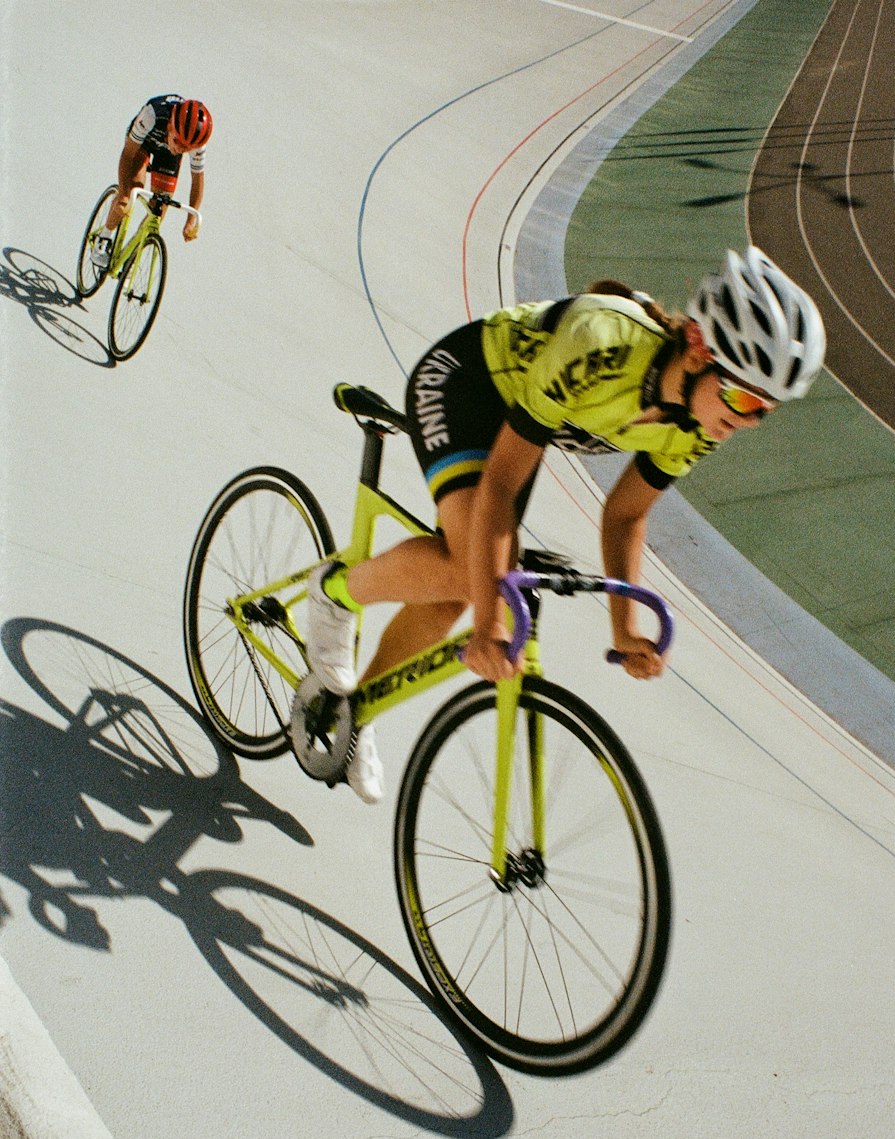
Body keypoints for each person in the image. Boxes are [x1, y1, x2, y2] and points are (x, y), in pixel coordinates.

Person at [309, 245, 826, 803]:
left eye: (764, 411)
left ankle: (350, 710)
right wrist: (490, 625)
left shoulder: (699, 424)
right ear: (700, 349)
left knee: (466, 591)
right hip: (468, 381)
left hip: (526, 422)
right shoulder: (601, 345)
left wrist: (623, 627)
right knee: (470, 576)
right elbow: (500, 487)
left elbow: (626, 512)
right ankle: (334, 592)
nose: (745, 421)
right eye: (744, 396)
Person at [90, 96, 213, 268]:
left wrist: (190, 220)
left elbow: (197, 180)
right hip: (143, 143)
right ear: (170, 126)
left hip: (167, 156)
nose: (180, 148)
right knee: (134, 189)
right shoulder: (152, 115)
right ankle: (104, 238)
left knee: (158, 210)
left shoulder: (196, 142)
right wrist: (124, 196)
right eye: (177, 141)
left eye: (186, 148)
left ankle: (130, 259)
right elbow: (127, 155)